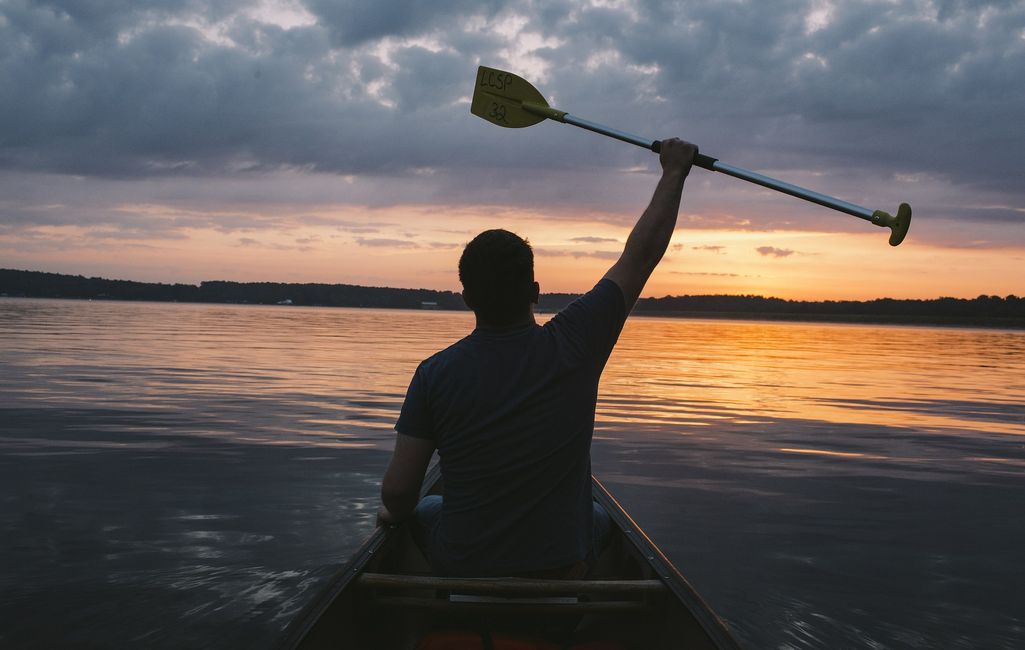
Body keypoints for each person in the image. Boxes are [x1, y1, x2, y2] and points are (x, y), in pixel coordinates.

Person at [378, 138, 698, 577]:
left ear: (466, 298)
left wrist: (395, 517)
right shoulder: (578, 342)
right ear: (534, 292)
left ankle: (439, 610)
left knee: (426, 507)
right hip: (562, 566)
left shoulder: (434, 374)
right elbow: (640, 256)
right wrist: (674, 171)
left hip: (465, 566)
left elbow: (398, 495)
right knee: (598, 518)